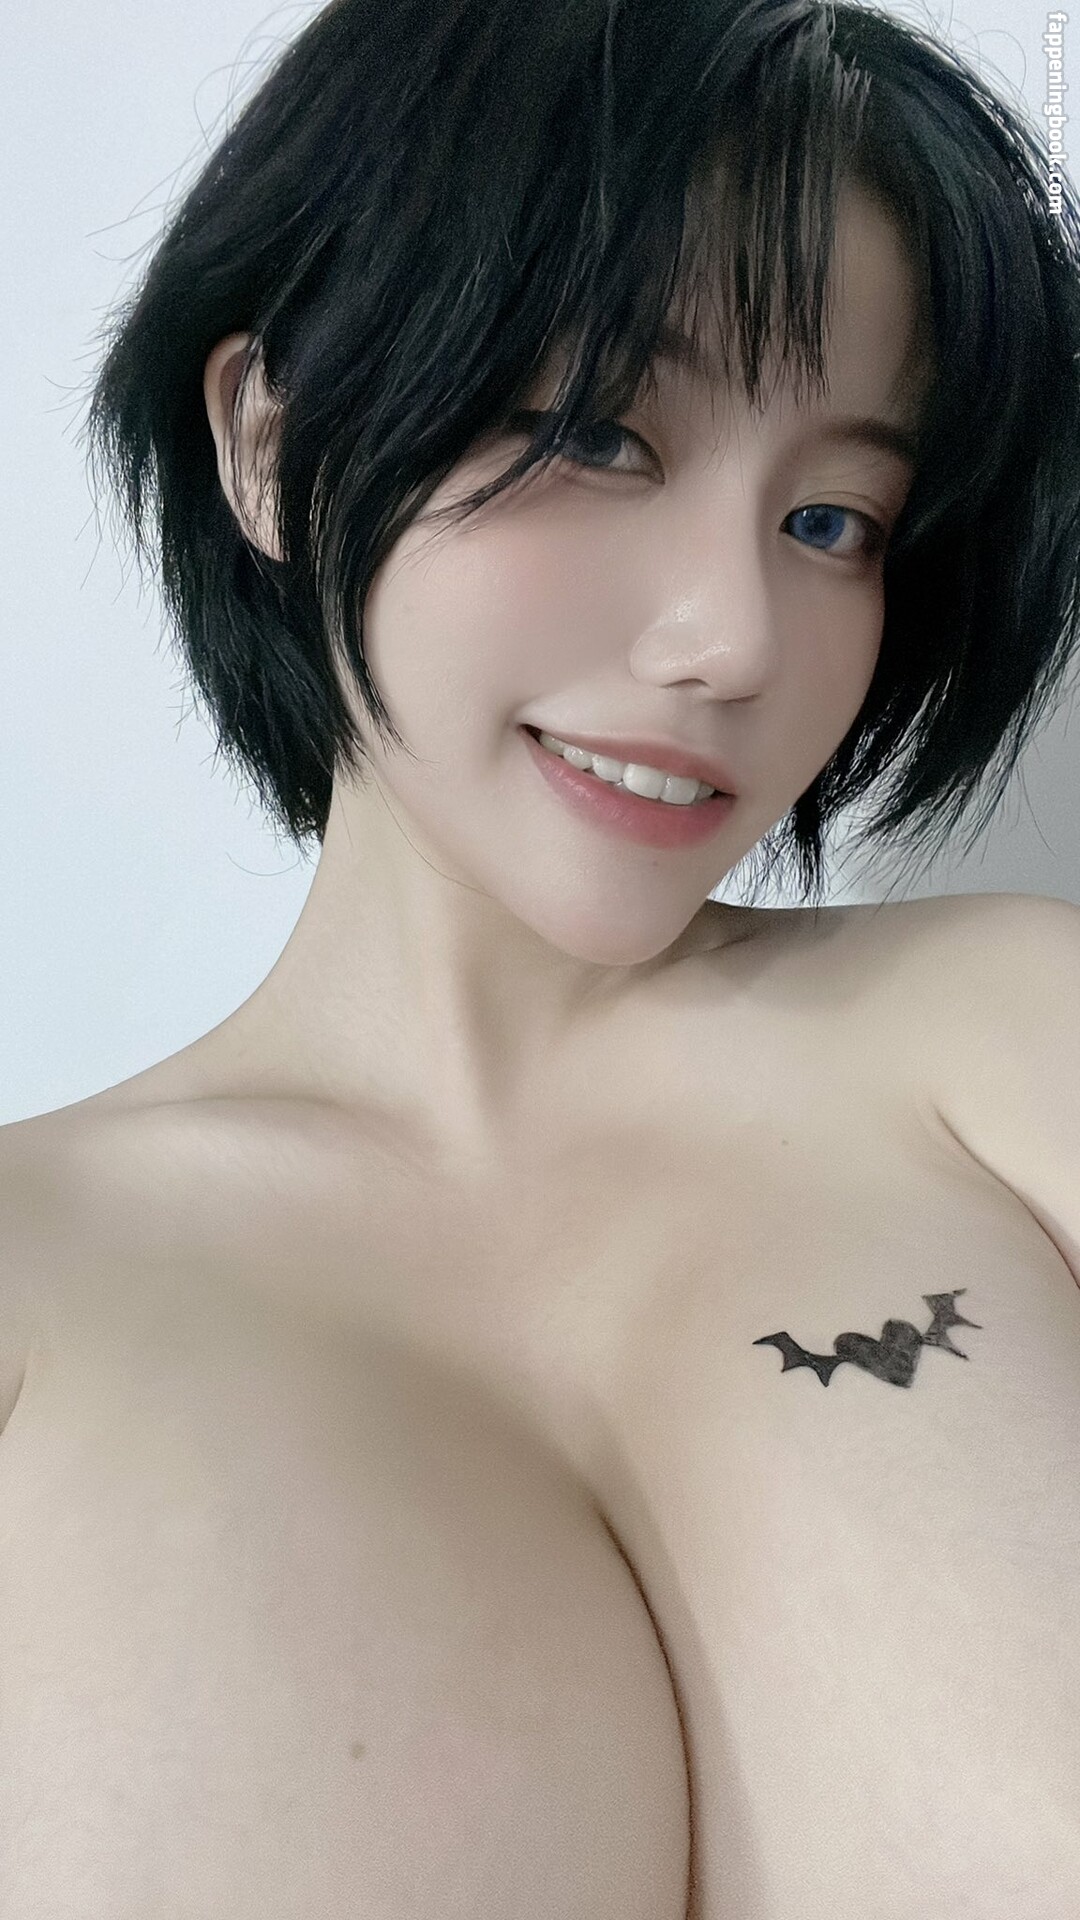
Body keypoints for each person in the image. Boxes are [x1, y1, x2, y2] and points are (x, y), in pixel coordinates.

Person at [2, 0, 1080, 1913]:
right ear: (268, 437)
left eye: (832, 518)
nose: (734, 637)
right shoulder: (39, 1288)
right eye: (595, 434)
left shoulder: (1014, 1046)